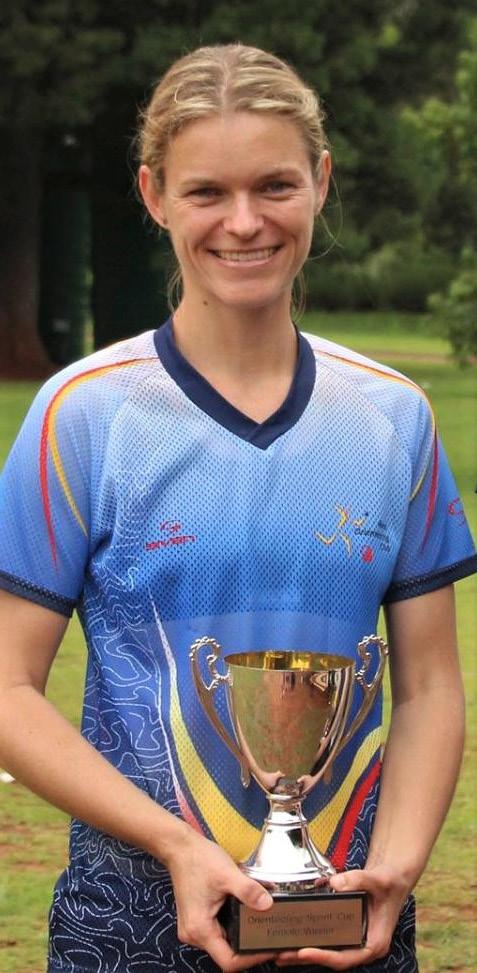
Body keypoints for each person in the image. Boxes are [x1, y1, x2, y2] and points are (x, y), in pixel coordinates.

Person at [0, 43, 475, 973]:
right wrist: (176, 844)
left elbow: (428, 685)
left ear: (321, 182)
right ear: (154, 195)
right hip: (127, 927)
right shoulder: (81, 415)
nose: (244, 222)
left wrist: (395, 867)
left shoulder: (393, 416)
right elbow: (9, 687)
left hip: (351, 925)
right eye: (207, 192)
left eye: (275, 186)